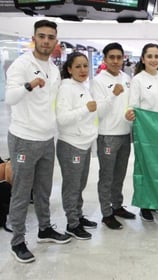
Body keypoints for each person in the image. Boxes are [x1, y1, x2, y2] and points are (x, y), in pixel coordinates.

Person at [5, 19, 71, 263]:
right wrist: (28, 85)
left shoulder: (53, 68)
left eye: (50, 37)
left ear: (56, 41)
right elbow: (10, 97)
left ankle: (45, 229)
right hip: (24, 137)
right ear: (34, 38)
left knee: (44, 189)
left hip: (46, 138)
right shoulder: (22, 64)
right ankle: (18, 241)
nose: (46, 41)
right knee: (22, 192)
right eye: (41, 36)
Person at [91, 42, 136, 230]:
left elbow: (131, 102)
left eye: (119, 57)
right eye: (112, 57)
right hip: (108, 135)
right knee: (107, 176)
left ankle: (117, 206)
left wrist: (131, 112)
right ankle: (106, 212)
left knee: (119, 175)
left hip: (125, 134)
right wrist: (113, 95)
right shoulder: (98, 81)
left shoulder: (127, 78)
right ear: (105, 59)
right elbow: (98, 112)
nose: (116, 61)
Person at [56, 52, 98, 240]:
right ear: (69, 69)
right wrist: (85, 109)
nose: (83, 70)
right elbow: (62, 120)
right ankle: (72, 224)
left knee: (79, 185)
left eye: (85, 66)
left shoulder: (82, 86)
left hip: (84, 143)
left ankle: (78, 216)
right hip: (71, 144)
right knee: (72, 186)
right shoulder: (66, 88)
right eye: (78, 66)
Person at [126, 43, 158, 223]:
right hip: (144, 132)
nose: (153, 60)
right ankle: (145, 205)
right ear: (143, 59)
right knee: (144, 168)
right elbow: (133, 105)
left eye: (156, 56)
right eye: (149, 56)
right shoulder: (138, 80)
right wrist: (130, 113)